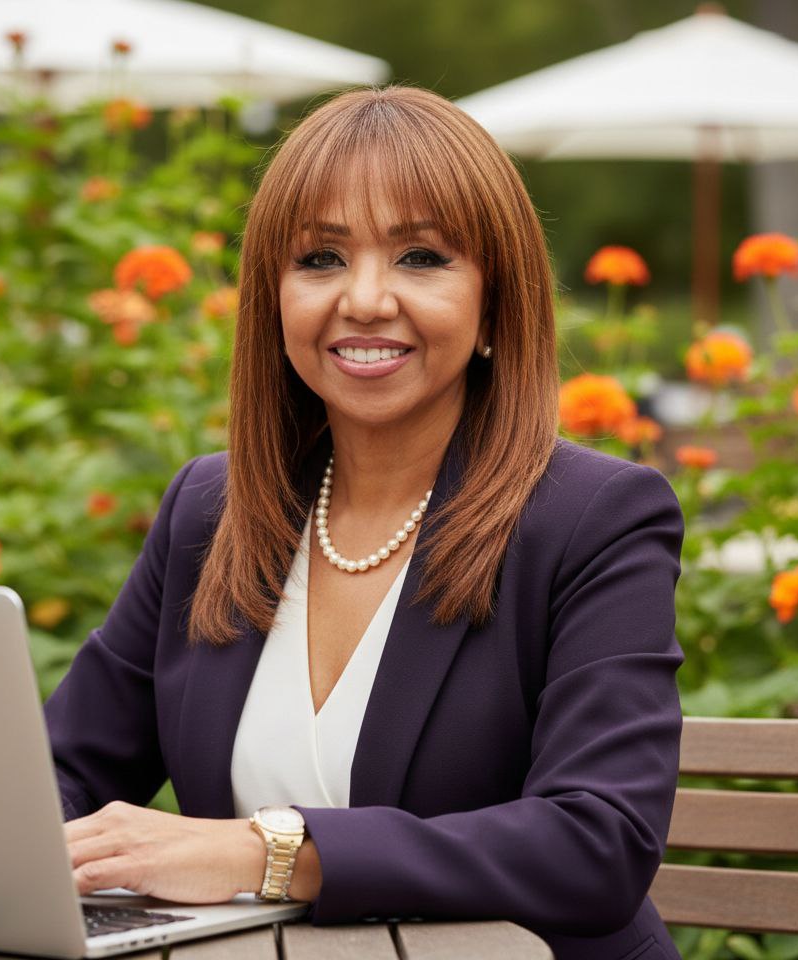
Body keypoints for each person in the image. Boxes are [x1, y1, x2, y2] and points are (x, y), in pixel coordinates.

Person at [44, 84, 685, 960]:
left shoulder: (592, 519)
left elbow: (597, 842)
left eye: (421, 256)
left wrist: (266, 852)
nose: (366, 299)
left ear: (496, 302)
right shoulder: (211, 508)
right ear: (272, 299)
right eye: (319, 259)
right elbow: (65, 768)